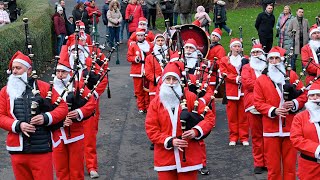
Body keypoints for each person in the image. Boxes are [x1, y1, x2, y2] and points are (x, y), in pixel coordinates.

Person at [0, 51, 68, 180]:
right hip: (17, 150)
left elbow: (63, 107)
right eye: (12, 68)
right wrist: (18, 125)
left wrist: (46, 117)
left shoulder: (43, 87)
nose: (14, 71)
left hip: (41, 149)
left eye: (18, 68)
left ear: (29, 70)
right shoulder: (5, 91)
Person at [145, 61, 214, 180]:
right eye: (168, 79)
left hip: (190, 154)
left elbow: (209, 118)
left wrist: (196, 131)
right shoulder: (155, 103)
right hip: (165, 156)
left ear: (179, 81)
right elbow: (151, 129)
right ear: (163, 80)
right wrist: (169, 141)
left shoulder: (191, 97)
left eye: (174, 79)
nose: (171, 83)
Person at [254, 46, 307, 180]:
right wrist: (274, 110)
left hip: (290, 128)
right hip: (270, 129)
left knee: (290, 167)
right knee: (273, 168)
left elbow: (303, 95)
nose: (274, 61)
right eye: (271, 58)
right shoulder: (261, 80)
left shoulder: (292, 75)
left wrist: (294, 104)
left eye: (277, 58)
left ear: (281, 60)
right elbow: (258, 102)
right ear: (267, 61)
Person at [51, 46, 96, 180]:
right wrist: (58, 120)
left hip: (75, 134)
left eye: (63, 72)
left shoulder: (77, 86)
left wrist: (78, 112)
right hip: (57, 135)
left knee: (76, 170)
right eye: (58, 72)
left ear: (69, 73)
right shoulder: (49, 89)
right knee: (61, 170)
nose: (60, 75)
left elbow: (91, 103)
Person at [241, 43, 268, 174]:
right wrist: (264, 86)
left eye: (258, 52)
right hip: (252, 105)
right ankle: (259, 162)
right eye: (253, 53)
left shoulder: (268, 67)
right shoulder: (246, 67)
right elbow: (247, 83)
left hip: (268, 105)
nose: (256, 55)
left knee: (268, 135)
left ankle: (268, 161)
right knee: (256, 135)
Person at [219, 38, 249, 146]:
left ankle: (244, 137)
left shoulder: (245, 59)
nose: (237, 48)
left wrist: (244, 77)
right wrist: (236, 78)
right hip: (231, 91)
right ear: (231, 47)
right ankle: (233, 137)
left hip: (243, 91)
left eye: (239, 46)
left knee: (243, 116)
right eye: (235, 46)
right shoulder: (225, 60)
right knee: (232, 117)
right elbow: (224, 73)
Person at [290, 82, 320, 179]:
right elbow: (296, 139)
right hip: (309, 167)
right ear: (308, 97)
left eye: (318, 95)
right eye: (312, 95)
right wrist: (317, 149)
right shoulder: (299, 118)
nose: (315, 98)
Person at [127, 28, 153, 113]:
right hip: (137, 71)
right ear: (136, 36)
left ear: (144, 36)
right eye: (138, 35)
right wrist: (135, 58)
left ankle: (148, 106)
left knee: (147, 90)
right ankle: (141, 107)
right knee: (138, 90)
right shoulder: (133, 46)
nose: (140, 37)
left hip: (147, 70)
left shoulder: (149, 45)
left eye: (141, 35)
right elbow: (128, 57)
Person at [287, 7, 310, 72]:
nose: (301, 13)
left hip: (304, 42)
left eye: (302, 12)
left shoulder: (306, 21)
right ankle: (292, 71)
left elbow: (308, 30)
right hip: (296, 42)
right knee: (293, 57)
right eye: (299, 12)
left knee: (304, 57)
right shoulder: (292, 21)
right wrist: (293, 35)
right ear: (297, 12)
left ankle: (304, 71)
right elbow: (288, 31)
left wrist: (307, 37)